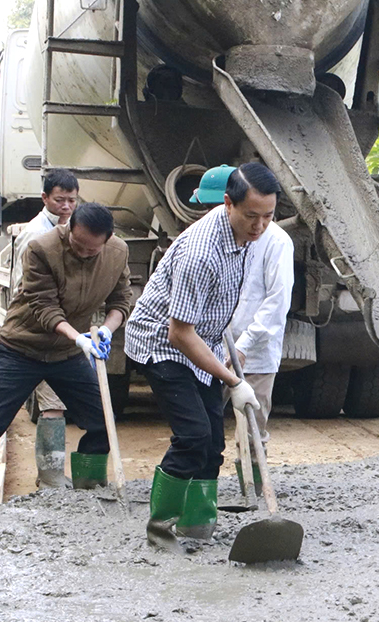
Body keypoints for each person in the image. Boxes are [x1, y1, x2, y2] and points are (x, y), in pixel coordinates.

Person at [0, 203, 131, 538]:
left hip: (66, 354)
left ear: (108, 240)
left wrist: (108, 330)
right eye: (79, 245)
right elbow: (44, 307)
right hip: (22, 349)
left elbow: (121, 300)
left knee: (101, 418)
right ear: (69, 229)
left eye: (92, 249)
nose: (84, 253)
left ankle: (89, 492)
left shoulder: (117, 252)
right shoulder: (41, 248)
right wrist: (78, 338)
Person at [125, 162, 276, 548]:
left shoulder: (245, 235)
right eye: (251, 216)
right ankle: (159, 533)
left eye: (268, 216)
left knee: (212, 443)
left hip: (202, 339)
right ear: (228, 204)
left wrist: (229, 362)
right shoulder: (201, 253)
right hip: (162, 343)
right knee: (193, 435)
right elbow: (179, 333)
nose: (260, 226)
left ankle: (198, 527)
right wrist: (234, 381)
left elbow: (213, 310)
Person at [190, 164, 295, 489]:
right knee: (199, 427)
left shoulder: (276, 242)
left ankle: (252, 490)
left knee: (252, 426)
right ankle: (197, 490)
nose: (258, 224)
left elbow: (277, 302)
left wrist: (244, 346)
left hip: (255, 355)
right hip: (210, 350)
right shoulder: (208, 238)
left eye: (265, 215)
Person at [10, 168, 80, 489]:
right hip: (38, 332)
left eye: (71, 200)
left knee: (64, 402)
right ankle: (51, 478)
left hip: (65, 332)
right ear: (45, 199)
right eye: (60, 200)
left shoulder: (73, 231)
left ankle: (60, 476)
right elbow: (23, 289)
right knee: (52, 404)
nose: (66, 206)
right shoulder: (35, 235)